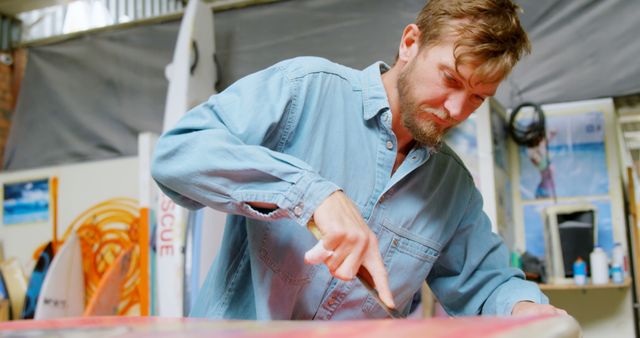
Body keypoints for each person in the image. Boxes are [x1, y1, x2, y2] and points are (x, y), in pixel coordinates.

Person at [152, 0, 567, 319]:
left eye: (478, 96)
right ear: (410, 43)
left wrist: (526, 310)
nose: (457, 109)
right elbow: (178, 154)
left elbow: (487, 283)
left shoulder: (452, 188)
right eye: (450, 79)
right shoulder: (305, 90)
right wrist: (312, 195)